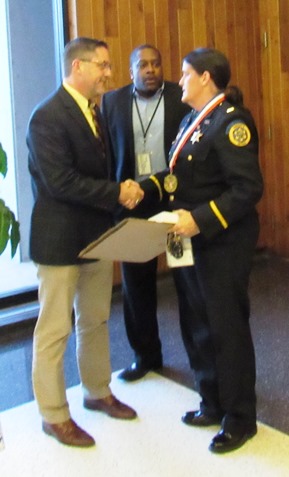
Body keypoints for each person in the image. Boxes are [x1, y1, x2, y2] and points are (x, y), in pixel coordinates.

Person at [140, 47, 263, 453]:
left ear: (206, 77)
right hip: (183, 238)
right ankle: (211, 400)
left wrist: (201, 219)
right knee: (195, 322)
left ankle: (239, 418)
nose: (180, 78)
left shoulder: (231, 123)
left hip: (218, 241)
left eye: (185, 72)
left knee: (225, 326)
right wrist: (144, 188)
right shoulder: (194, 120)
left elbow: (247, 189)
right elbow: (178, 178)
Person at [26, 37, 144, 448]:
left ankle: (97, 392)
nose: (109, 73)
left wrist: (120, 193)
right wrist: (117, 193)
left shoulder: (96, 110)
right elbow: (61, 183)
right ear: (78, 67)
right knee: (55, 329)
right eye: (103, 65)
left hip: (96, 236)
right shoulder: (46, 117)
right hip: (59, 241)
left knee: (94, 320)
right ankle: (54, 415)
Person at [101, 44, 190, 381]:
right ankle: (146, 356)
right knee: (136, 286)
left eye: (156, 64)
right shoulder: (113, 102)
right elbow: (108, 154)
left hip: (174, 204)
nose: (150, 70)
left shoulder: (181, 97)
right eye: (143, 65)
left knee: (185, 277)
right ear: (131, 71)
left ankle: (198, 356)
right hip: (132, 202)